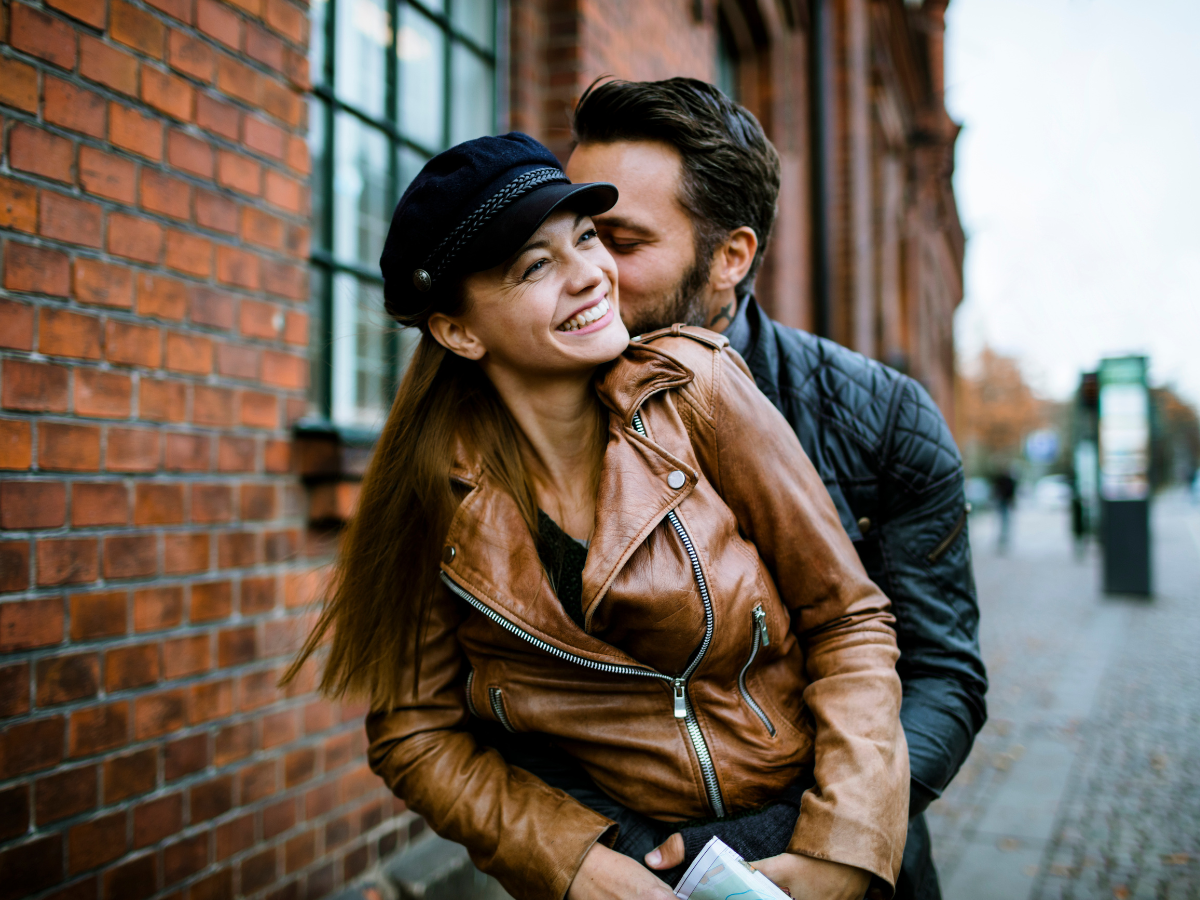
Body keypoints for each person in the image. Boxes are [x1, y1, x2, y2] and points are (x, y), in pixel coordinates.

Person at [285, 133, 910, 900]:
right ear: (458, 331)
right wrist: (570, 862)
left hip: (799, 837)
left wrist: (844, 842)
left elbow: (847, 618)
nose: (590, 275)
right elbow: (413, 734)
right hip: (632, 867)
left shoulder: (695, 389)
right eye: (536, 266)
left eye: (586, 237)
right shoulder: (436, 496)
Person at [555, 77, 988, 900]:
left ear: (731, 257)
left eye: (618, 240)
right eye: (573, 235)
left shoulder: (884, 420)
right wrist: (603, 852)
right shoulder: (527, 414)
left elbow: (942, 676)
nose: (585, 273)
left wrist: (823, 841)